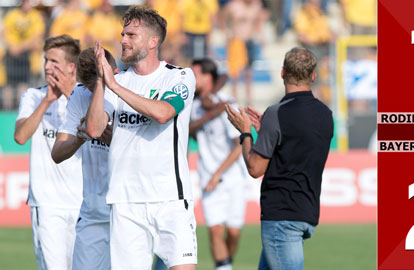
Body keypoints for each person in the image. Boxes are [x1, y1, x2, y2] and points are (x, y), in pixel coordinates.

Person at [85, 6, 197, 270]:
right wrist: (103, 82)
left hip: (170, 197)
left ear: (152, 41)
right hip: (125, 201)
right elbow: (93, 129)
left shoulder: (179, 76)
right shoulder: (118, 82)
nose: (123, 40)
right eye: (123, 34)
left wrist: (114, 86)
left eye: (132, 35)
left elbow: (163, 113)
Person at [225, 47, 334, 270]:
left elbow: (255, 167)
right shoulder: (326, 114)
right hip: (307, 211)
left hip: (282, 215)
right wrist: (268, 128)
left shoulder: (278, 113)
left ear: (282, 73)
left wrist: (246, 132)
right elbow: (297, 142)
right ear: (313, 76)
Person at [13, 34, 82, 270]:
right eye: (45, 60)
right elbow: (21, 136)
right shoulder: (33, 96)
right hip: (48, 204)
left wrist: (69, 95)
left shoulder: (86, 97)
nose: (46, 66)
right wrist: (46, 102)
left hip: (83, 203)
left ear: (71, 67)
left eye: (53, 61)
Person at [51, 47, 118, 270]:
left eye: (98, 86)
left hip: (127, 212)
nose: (95, 93)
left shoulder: (132, 92)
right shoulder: (80, 94)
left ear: (115, 73)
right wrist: (79, 140)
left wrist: (115, 142)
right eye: (91, 88)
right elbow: (57, 153)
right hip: (93, 213)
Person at [190, 58, 249, 270]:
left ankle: (225, 264)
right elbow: (190, 130)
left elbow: (238, 147)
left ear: (208, 77)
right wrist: (211, 113)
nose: (191, 78)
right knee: (215, 230)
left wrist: (219, 174)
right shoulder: (193, 105)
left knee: (233, 233)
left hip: (233, 178)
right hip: (208, 178)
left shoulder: (228, 105)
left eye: (195, 74)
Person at [2, 0, 45, 109]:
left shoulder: (35, 16)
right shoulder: (12, 15)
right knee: (8, 85)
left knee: (24, 85)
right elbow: (5, 33)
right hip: (11, 56)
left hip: (27, 57)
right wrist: (13, 47)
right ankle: (7, 109)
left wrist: (20, 47)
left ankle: (21, 110)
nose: (29, 5)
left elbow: (38, 35)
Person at [222, 0, 266, 106]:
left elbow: (258, 22)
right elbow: (222, 17)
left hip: (249, 40)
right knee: (235, 73)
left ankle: (248, 101)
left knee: (248, 73)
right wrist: (226, 33)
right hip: (236, 40)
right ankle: (234, 99)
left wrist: (261, 36)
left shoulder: (256, 5)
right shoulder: (233, 5)